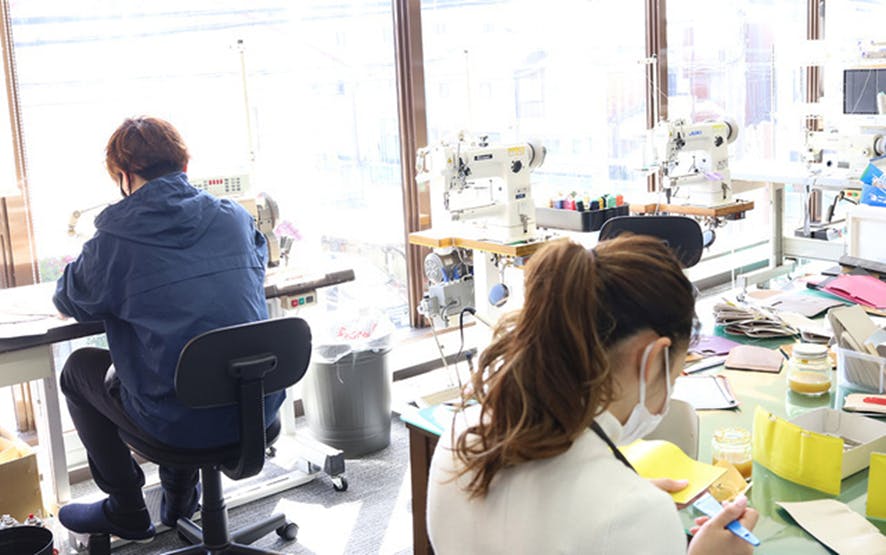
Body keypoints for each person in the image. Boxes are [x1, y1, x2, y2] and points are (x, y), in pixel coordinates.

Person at [426, 236, 759, 554]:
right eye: (674, 374)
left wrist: (624, 495)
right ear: (653, 358)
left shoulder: (459, 438)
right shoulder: (635, 514)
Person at [53, 116, 281, 541]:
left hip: (178, 423)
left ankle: (126, 508)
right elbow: (257, 264)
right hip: (256, 408)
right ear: (185, 166)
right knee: (177, 357)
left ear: (124, 177)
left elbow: (69, 299)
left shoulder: (115, 239)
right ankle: (180, 501)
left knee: (79, 370)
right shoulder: (233, 217)